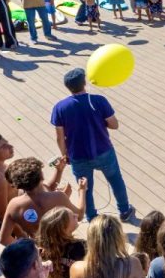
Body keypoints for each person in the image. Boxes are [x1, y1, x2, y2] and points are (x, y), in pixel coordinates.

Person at [51, 67, 137, 222]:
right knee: (116, 180)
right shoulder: (99, 100)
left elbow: (59, 137)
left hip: (77, 156)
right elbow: (114, 125)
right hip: (104, 150)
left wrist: (65, 154)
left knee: (85, 188)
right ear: (84, 83)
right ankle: (124, 211)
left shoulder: (59, 108)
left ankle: (92, 217)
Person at [0, 156, 85, 244]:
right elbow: (80, 215)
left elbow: (3, 239)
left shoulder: (14, 205)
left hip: (40, 250)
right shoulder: (58, 197)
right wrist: (82, 191)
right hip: (64, 244)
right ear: (41, 176)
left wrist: (59, 171)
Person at [38, 207, 86, 278]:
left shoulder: (39, 250)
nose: (76, 215)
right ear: (63, 228)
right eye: (73, 216)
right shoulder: (81, 247)